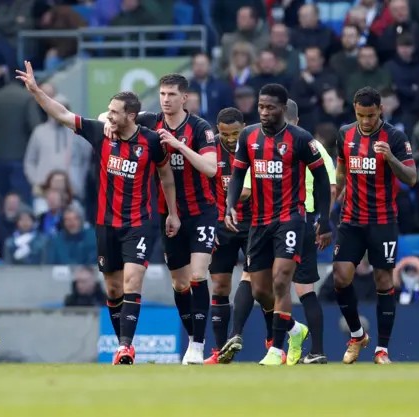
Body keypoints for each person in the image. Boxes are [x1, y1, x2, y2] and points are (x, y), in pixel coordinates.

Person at [16, 61, 180, 365]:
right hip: (106, 224)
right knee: (114, 288)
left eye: (115, 112)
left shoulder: (153, 142)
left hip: (139, 223)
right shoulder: (100, 133)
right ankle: (122, 346)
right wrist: (37, 91)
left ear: (131, 116)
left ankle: (126, 347)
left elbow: (166, 177)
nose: (109, 116)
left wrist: (172, 213)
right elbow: (62, 114)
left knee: (132, 282)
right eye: (109, 112)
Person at [99, 73, 218, 365]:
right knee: (179, 284)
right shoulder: (151, 121)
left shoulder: (200, 129)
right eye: (163, 94)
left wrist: (179, 146)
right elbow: (111, 113)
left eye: (171, 95)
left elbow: (211, 169)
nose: (165, 99)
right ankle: (193, 338)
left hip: (202, 210)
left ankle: (198, 345)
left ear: (184, 98)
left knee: (198, 275)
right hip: (169, 214)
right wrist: (107, 123)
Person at [225, 84, 333, 366]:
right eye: (261, 106)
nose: (263, 111)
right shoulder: (248, 136)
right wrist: (229, 206)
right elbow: (237, 176)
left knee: (281, 280)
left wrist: (325, 219)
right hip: (259, 222)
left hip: (290, 218)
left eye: (270, 107)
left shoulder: (301, 139)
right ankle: (295, 330)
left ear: (283, 108)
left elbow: (322, 179)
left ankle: (275, 349)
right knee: (260, 290)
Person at [333, 86, 417, 365]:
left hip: (382, 220)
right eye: (360, 115)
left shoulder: (394, 137)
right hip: (351, 219)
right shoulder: (345, 133)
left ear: (381, 109)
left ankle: (382, 350)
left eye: (370, 115)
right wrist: (332, 203)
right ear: (354, 110)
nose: (365, 121)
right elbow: (341, 171)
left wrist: (391, 158)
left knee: (383, 281)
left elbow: (412, 178)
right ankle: (357, 336)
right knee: (340, 276)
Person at [251, 99, 337, 364]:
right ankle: (307, 344)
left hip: (298, 219)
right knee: (291, 287)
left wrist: (322, 223)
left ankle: (292, 346)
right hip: (289, 220)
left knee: (293, 287)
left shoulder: (304, 144)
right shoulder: (311, 145)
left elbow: (329, 187)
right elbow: (332, 188)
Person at [203, 108, 260, 364]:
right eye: (225, 133)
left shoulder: (257, 144)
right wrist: (209, 224)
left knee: (260, 285)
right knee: (220, 286)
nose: (230, 138)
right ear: (217, 129)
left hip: (255, 223)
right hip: (220, 226)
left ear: (245, 127)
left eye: (236, 133)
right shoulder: (210, 148)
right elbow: (201, 189)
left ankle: (273, 346)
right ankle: (220, 351)